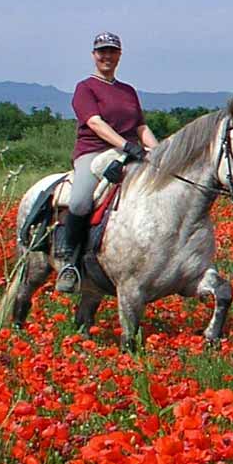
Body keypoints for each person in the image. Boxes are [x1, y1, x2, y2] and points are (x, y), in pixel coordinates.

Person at [54, 32, 158, 292]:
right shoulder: (85, 88)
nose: (107, 56)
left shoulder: (127, 91)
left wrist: (159, 152)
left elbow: (140, 125)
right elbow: (94, 123)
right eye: (102, 52)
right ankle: (70, 260)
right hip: (95, 152)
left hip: (130, 153)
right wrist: (125, 145)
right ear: (93, 55)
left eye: (112, 51)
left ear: (119, 55)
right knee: (80, 200)